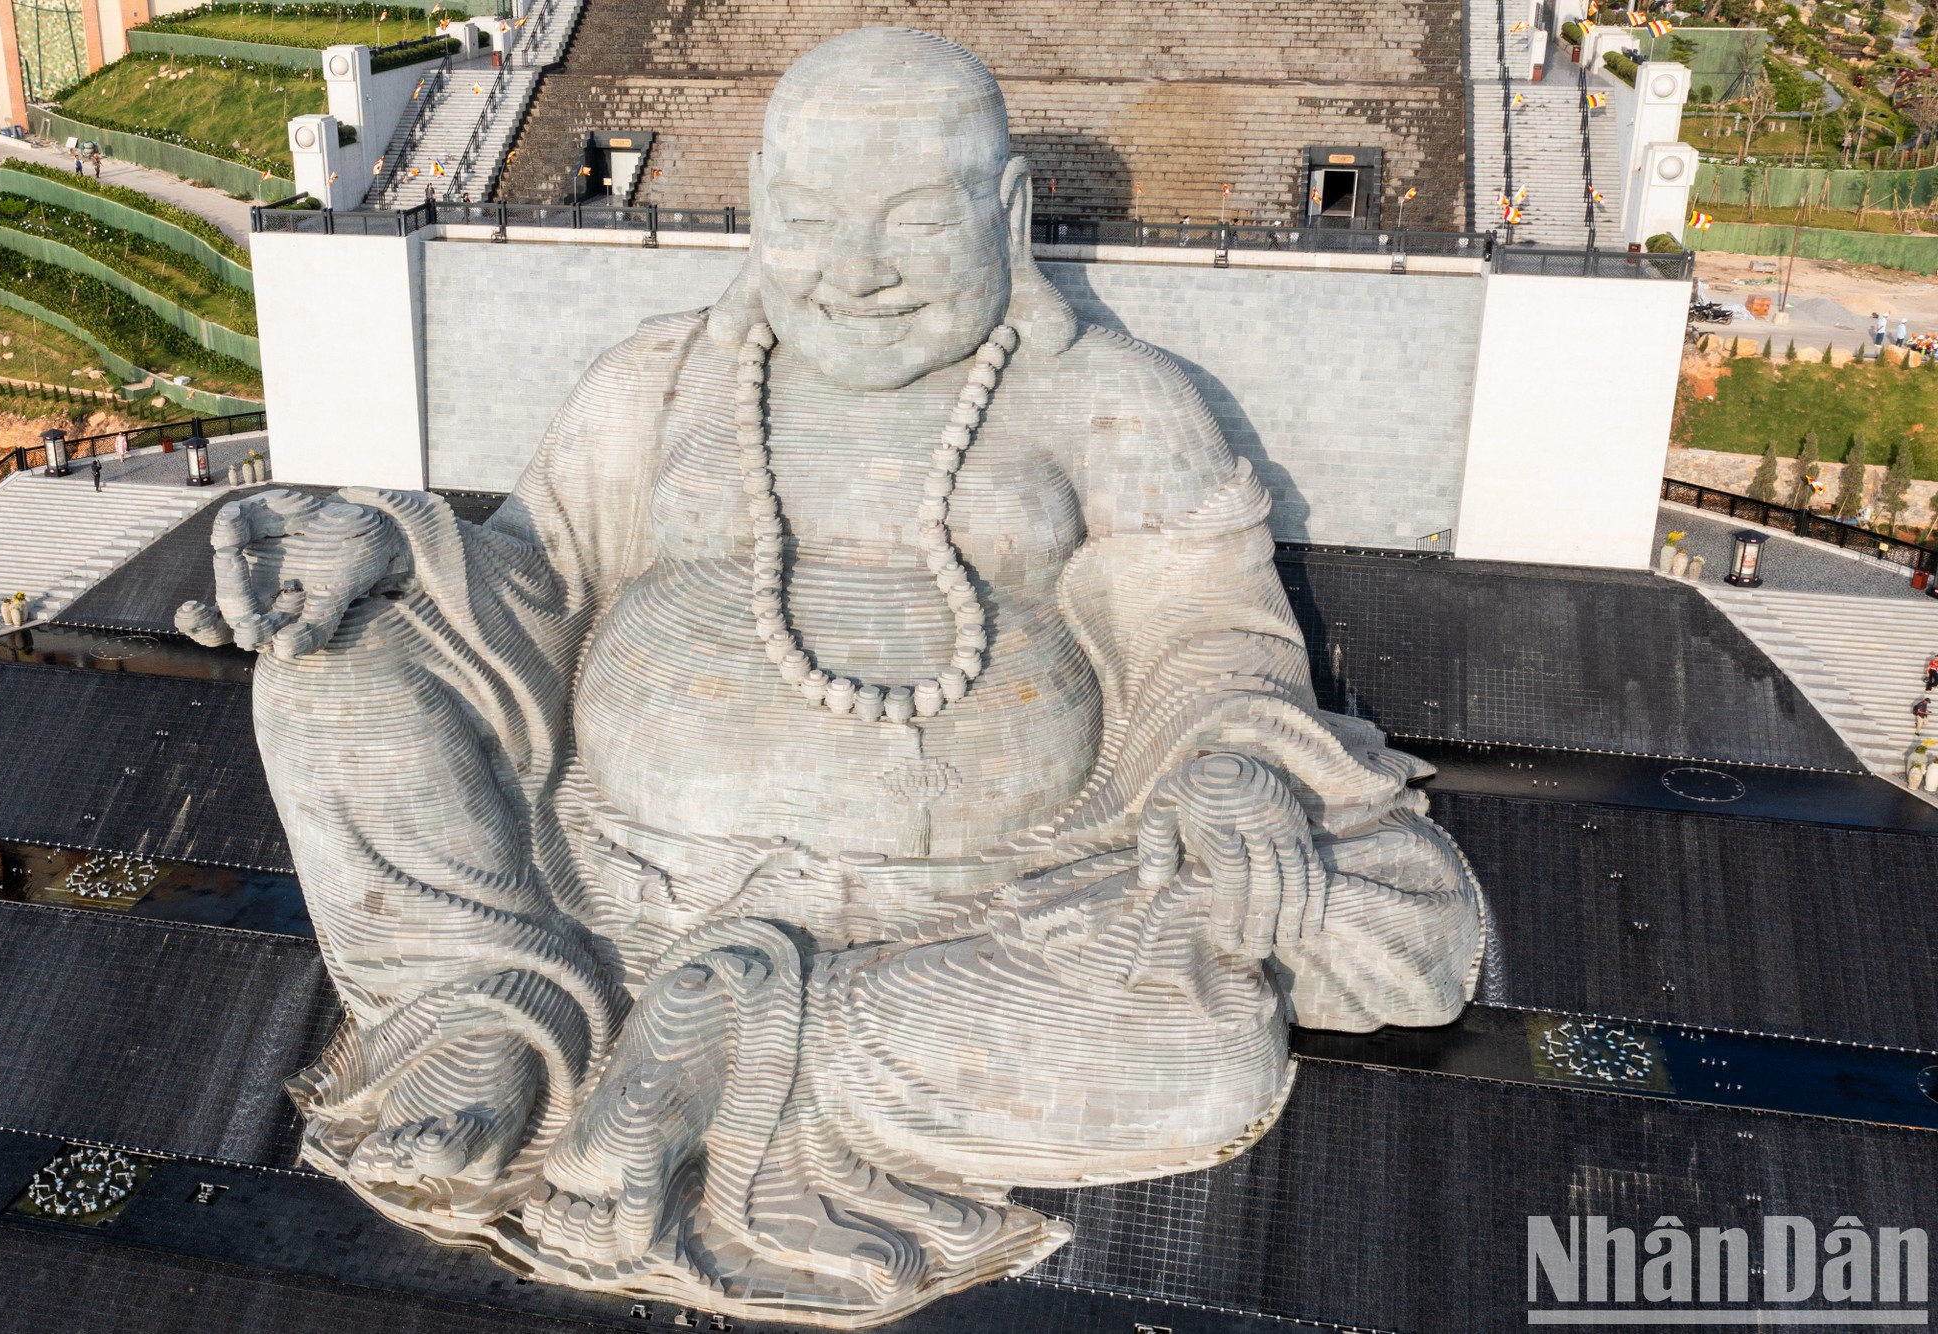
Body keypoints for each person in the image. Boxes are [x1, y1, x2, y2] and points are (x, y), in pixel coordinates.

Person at [175, 28, 1482, 1326]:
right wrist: (381, 545)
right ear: (754, 210)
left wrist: (1231, 764)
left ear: (1012, 216)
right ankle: (490, 1004)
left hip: (970, 918)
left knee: (1229, 1038)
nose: (855, 274)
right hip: (607, 866)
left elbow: (1212, 629)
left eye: (915, 224)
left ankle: (728, 1043)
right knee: (322, 672)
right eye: (806, 222)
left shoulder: (1110, 401)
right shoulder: (667, 373)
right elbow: (535, 575)